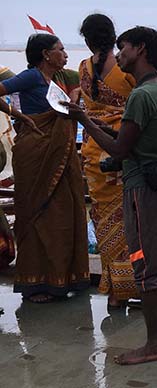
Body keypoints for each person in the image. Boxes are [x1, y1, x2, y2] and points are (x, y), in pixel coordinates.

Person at [64, 26, 157, 365]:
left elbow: (120, 148)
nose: (119, 54)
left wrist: (83, 123)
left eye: (125, 48)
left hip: (142, 188)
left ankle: (154, 343)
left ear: (141, 50)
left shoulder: (140, 96)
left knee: (145, 265)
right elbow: (138, 135)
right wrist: (96, 122)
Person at [0, 34, 88, 303]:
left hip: (57, 152)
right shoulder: (31, 77)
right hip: (35, 152)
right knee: (37, 215)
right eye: (60, 50)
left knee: (62, 213)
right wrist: (17, 115)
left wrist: (75, 94)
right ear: (45, 54)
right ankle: (36, 283)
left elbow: (86, 78)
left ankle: (61, 278)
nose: (65, 54)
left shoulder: (60, 79)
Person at [78, 14, 139, 309]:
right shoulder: (126, 72)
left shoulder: (83, 70)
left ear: (87, 41)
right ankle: (133, 287)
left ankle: (115, 291)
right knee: (131, 224)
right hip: (119, 150)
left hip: (93, 152)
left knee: (104, 223)